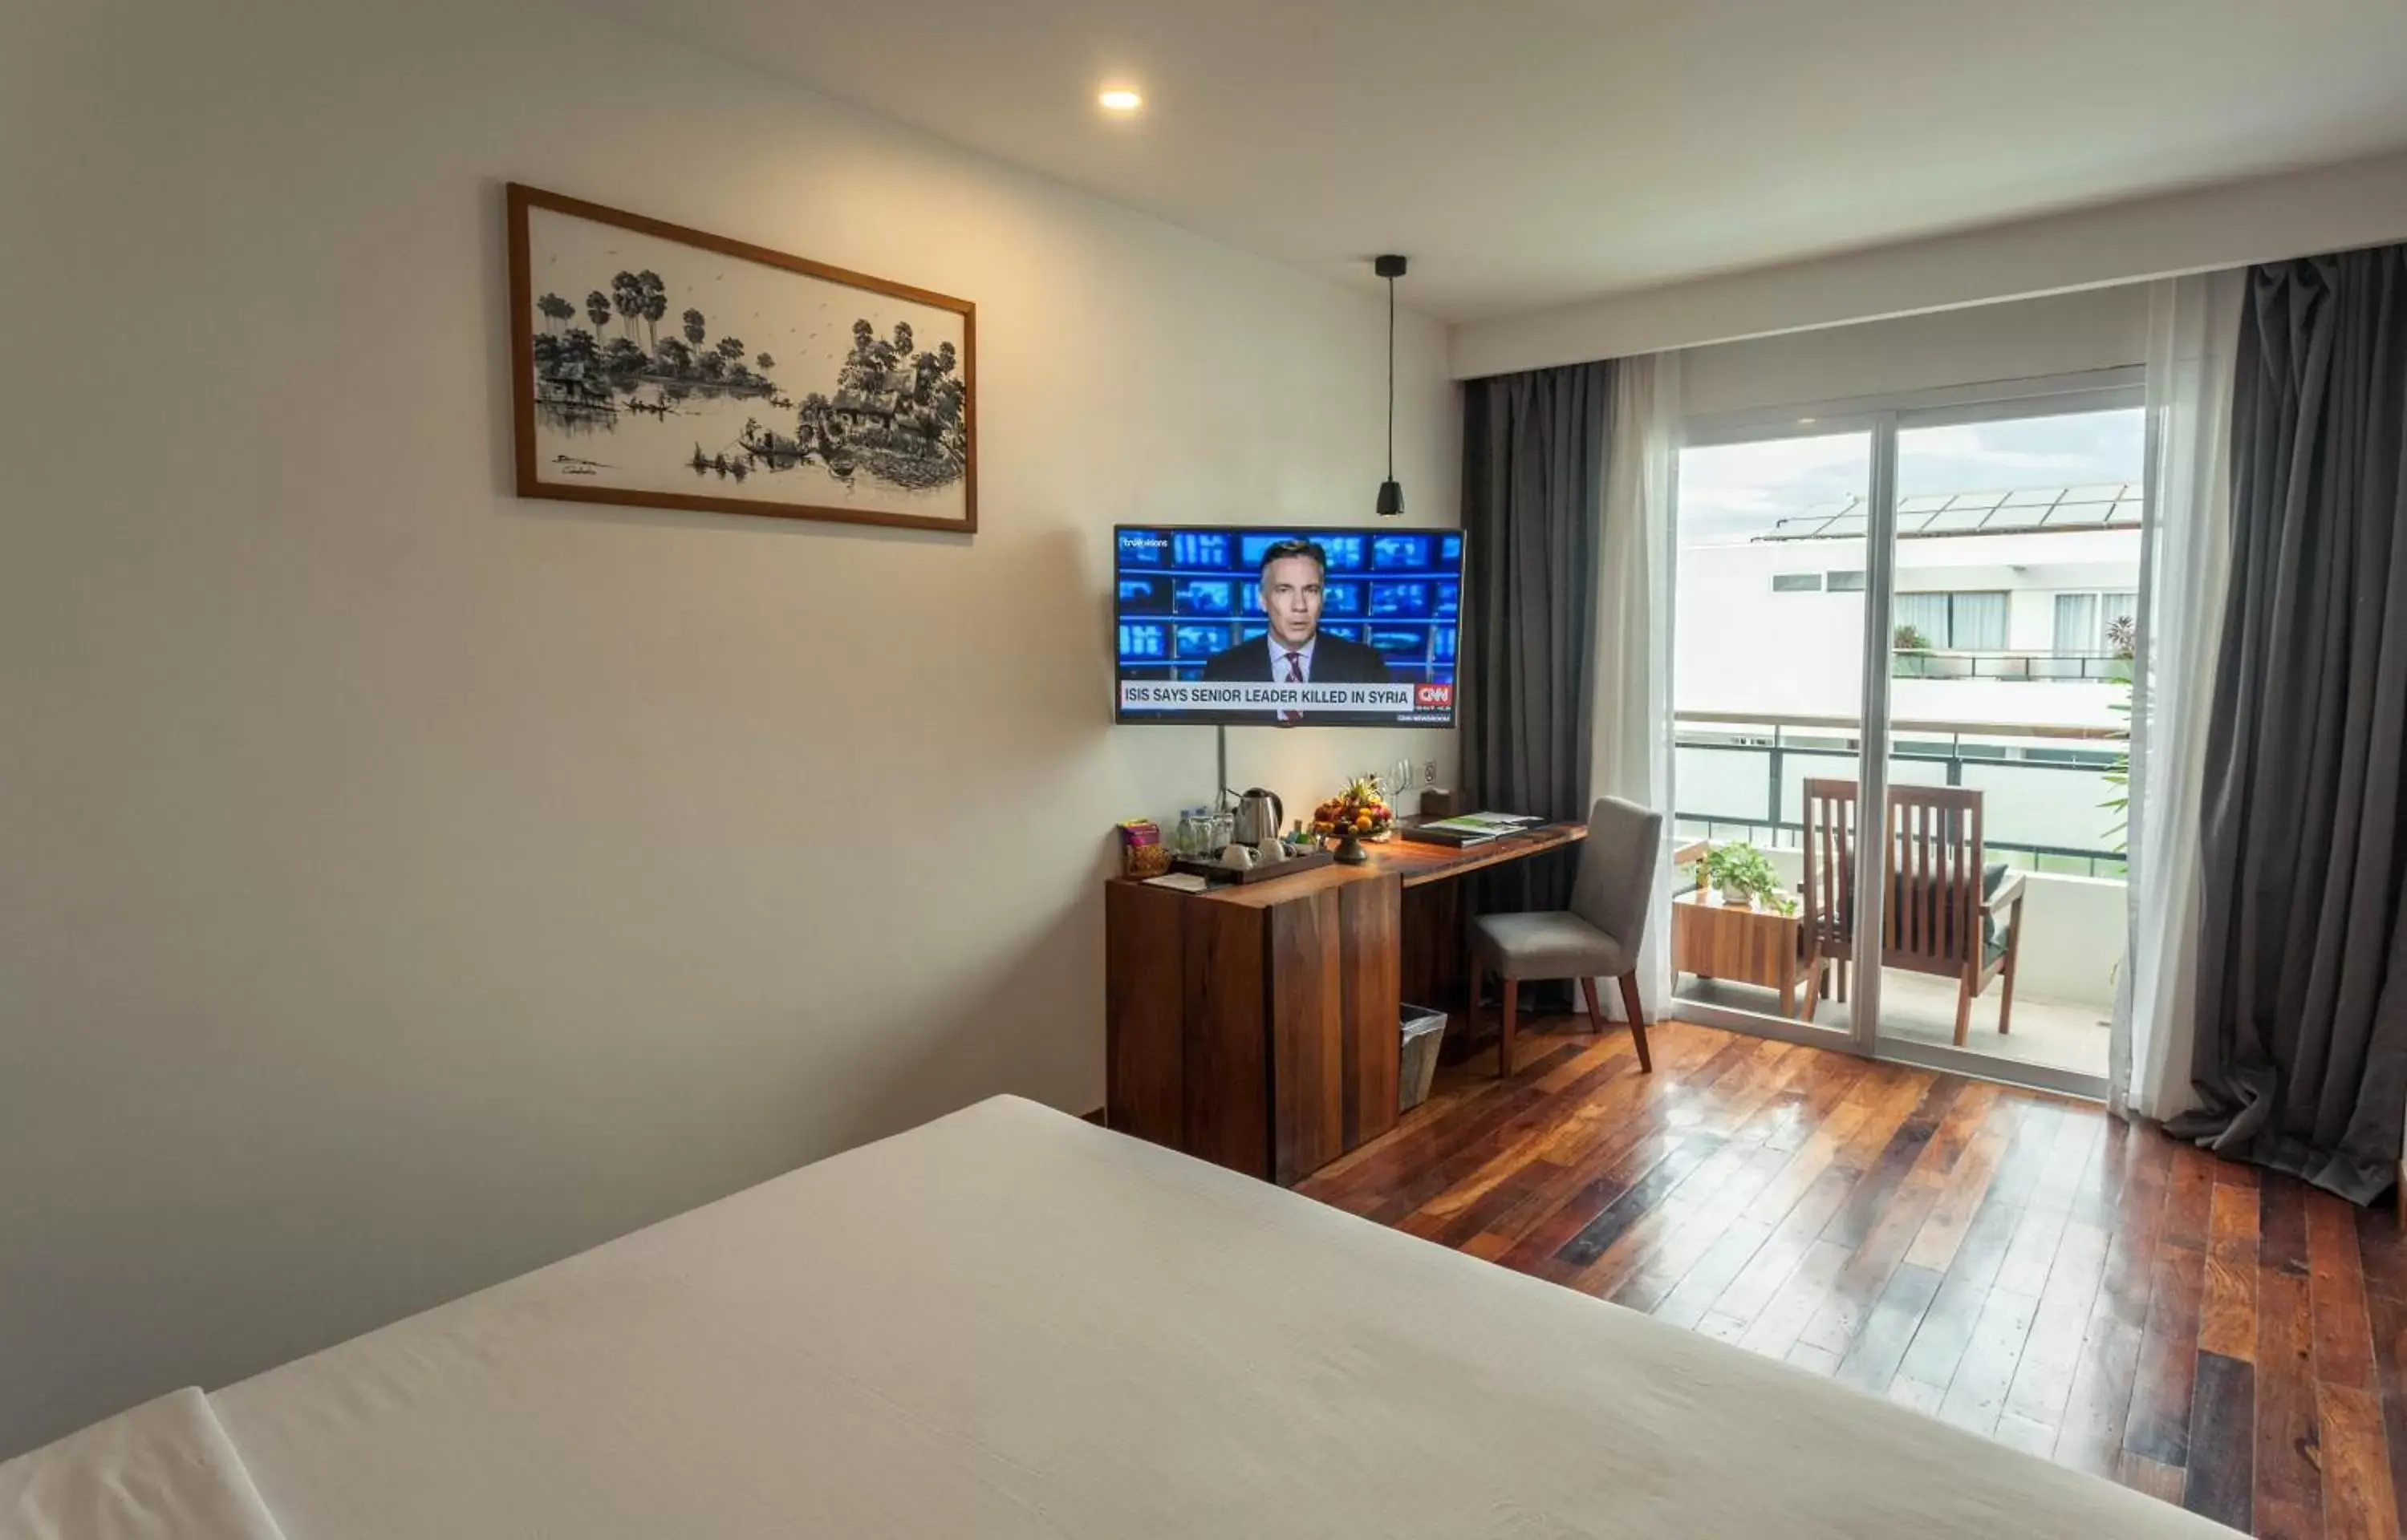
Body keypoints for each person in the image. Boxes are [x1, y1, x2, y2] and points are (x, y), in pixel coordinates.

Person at [1200, 539, 1394, 691]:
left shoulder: (1365, 667)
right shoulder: (1223, 671)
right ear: (1263, 600)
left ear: (1322, 599)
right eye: (1284, 590)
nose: (1299, 606)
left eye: (1310, 590)